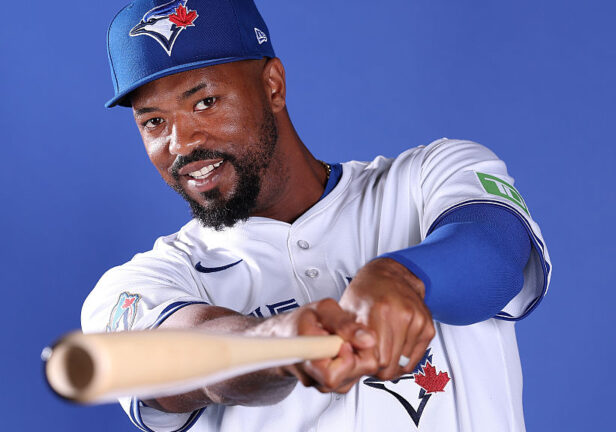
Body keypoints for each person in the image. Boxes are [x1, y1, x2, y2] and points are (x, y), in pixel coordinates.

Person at [81, 0, 552, 430]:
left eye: (205, 102)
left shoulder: (426, 177)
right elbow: (181, 358)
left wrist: (402, 278)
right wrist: (277, 343)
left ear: (273, 86)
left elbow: (495, 252)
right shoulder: (139, 284)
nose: (181, 144)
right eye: (154, 122)